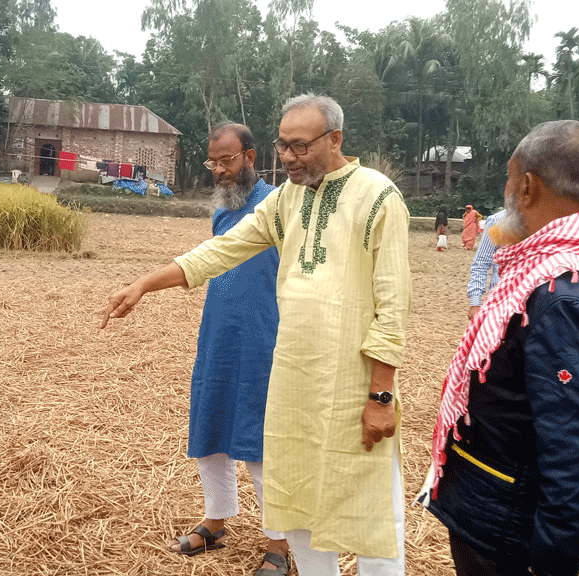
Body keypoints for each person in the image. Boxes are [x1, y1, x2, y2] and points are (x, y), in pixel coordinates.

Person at [102, 93, 410, 576]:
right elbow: (221, 251)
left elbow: (392, 306)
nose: (287, 157)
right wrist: (146, 283)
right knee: (297, 497)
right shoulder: (287, 199)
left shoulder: (378, 196)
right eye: (282, 145)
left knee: (370, 502)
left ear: (335, 140)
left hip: (353, 382)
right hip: (291, 380)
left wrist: (381, 394)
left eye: (300, 146)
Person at [416, 120, 579, 576]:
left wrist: (550, 565)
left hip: (507, 529)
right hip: (496, 504)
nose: (506, 190)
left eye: (507, 179)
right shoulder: (569, 265)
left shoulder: (560, 296)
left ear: (526, 187)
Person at [165, 123, 290, 575]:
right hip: (218, 332)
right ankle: (216, 521)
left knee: (258, 441)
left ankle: (279, 543)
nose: (219, 170)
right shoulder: (222, 209)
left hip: (264, 336)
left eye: (227, 160)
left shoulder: (279, 204)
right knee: (210, 427)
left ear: (251, 157)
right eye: (212, 161)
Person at [466, 209, 505, 319]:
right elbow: (481, 262)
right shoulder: (497, 221)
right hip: (498, 298)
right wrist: (475, 302)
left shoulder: (544, 220)